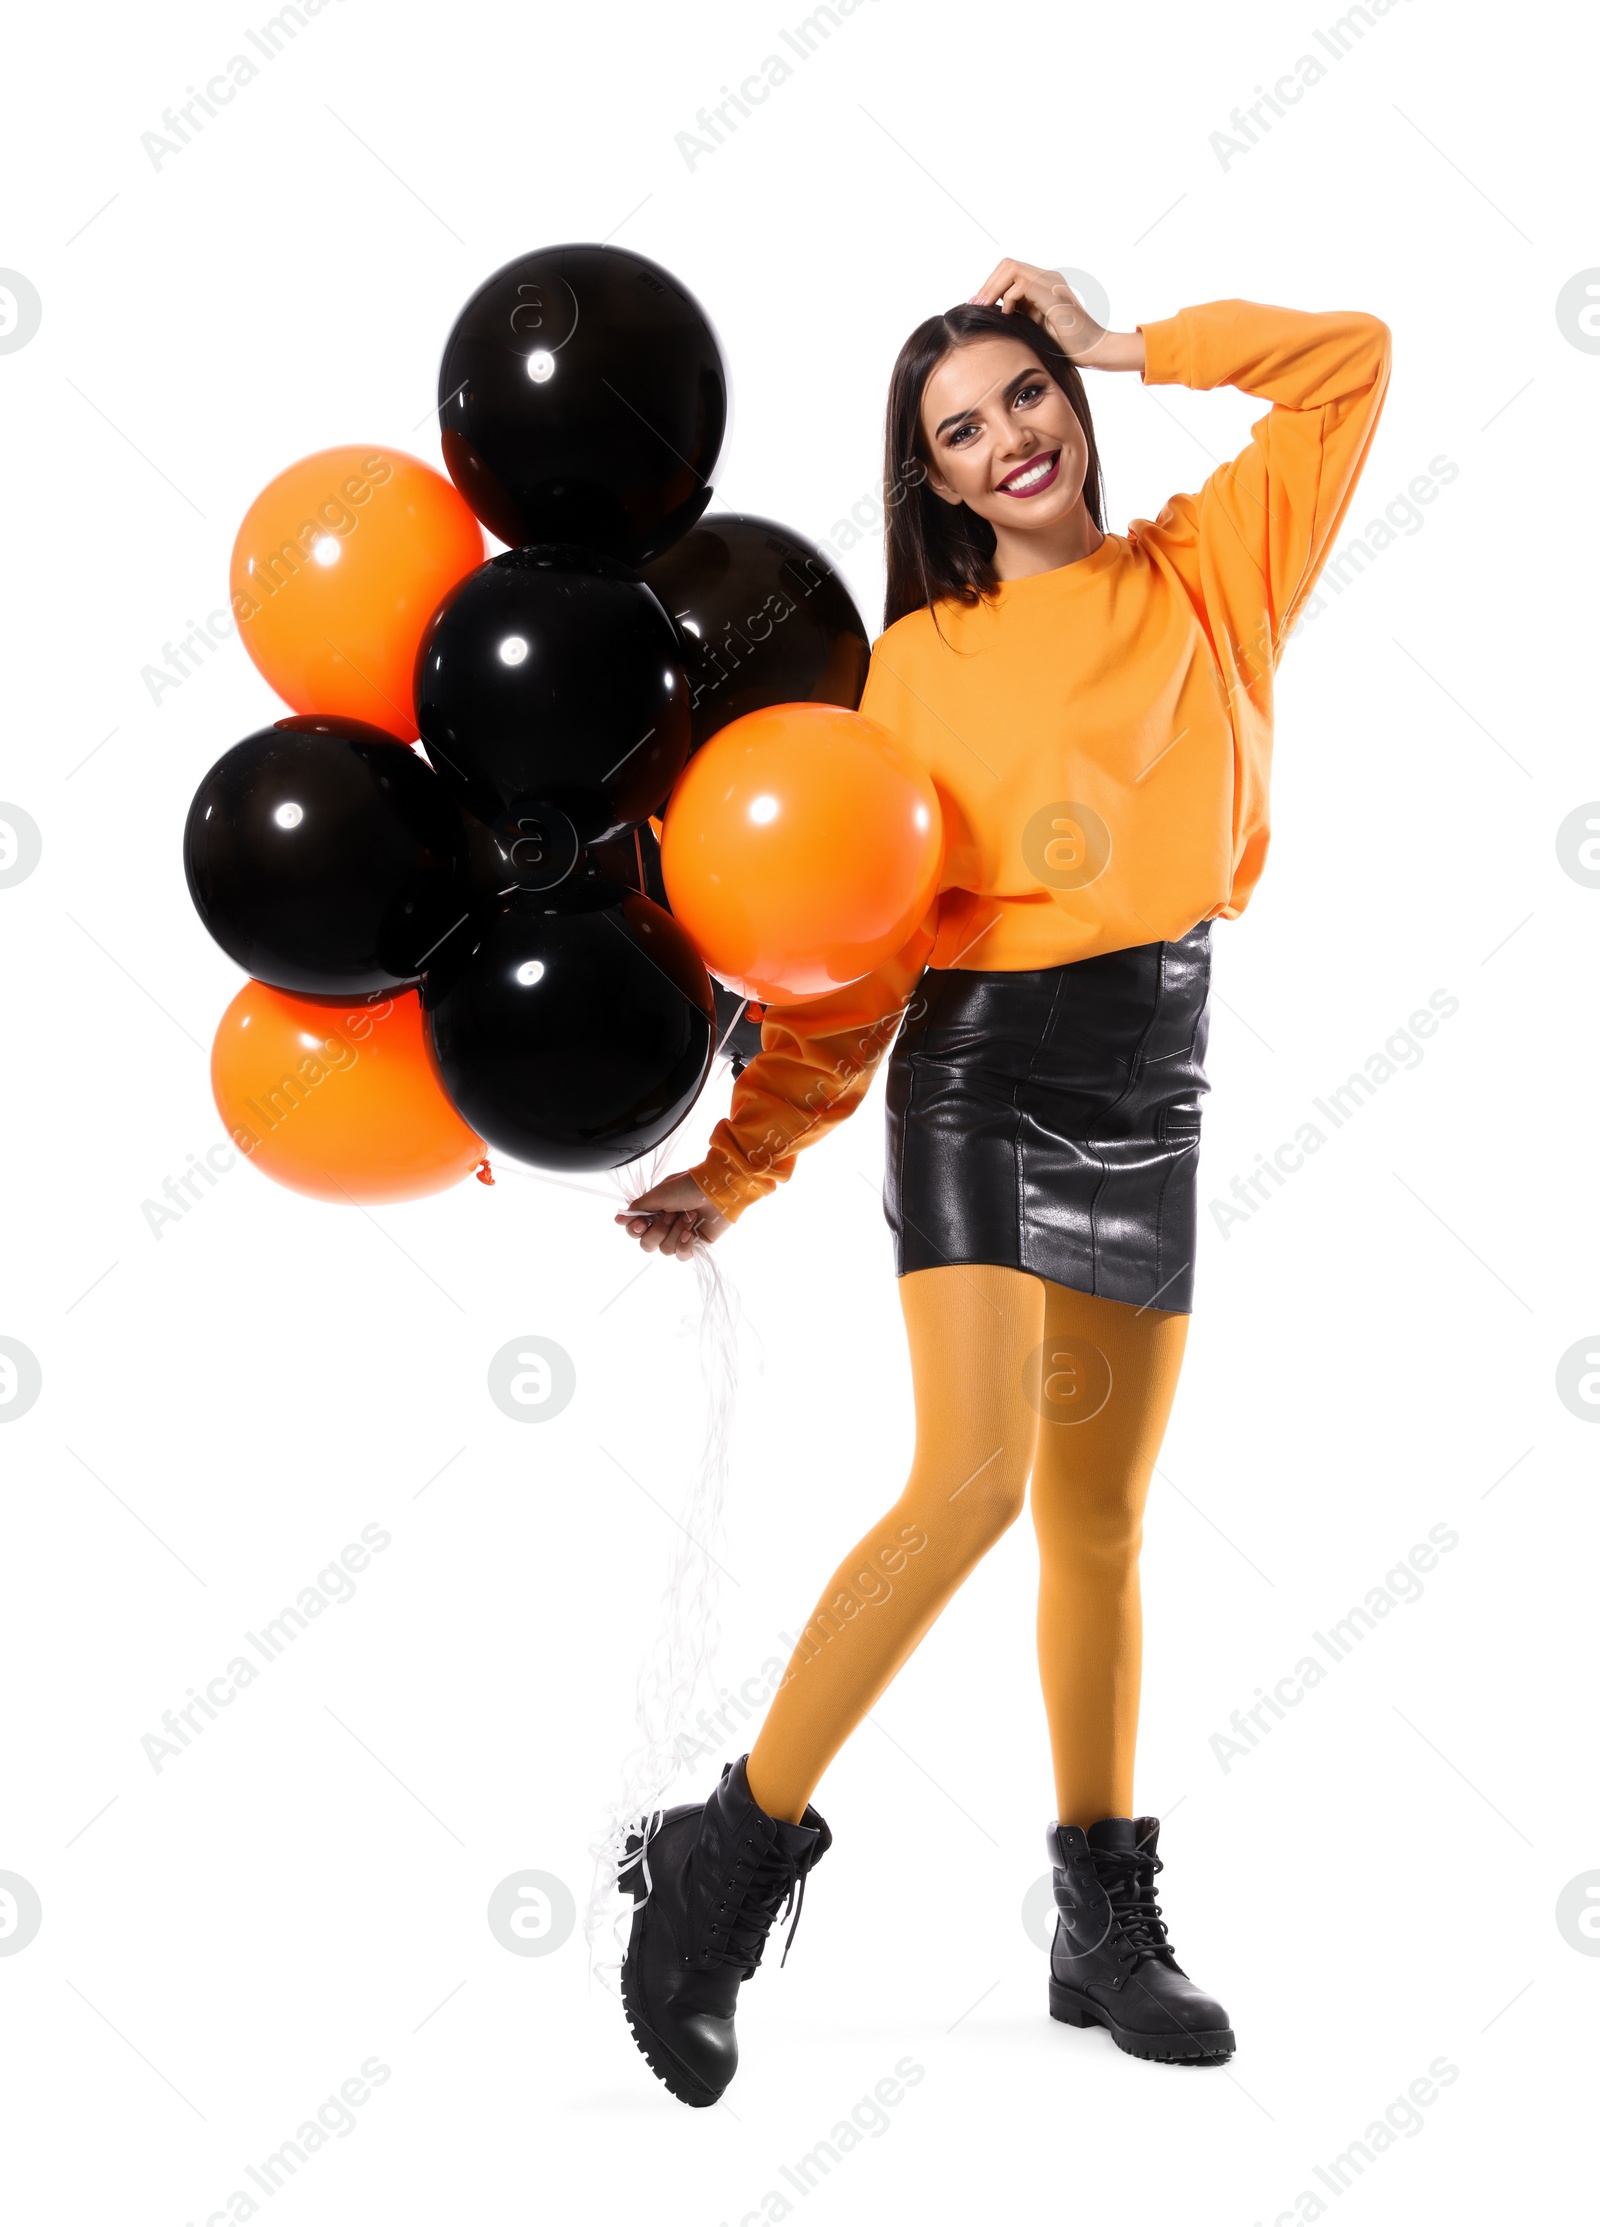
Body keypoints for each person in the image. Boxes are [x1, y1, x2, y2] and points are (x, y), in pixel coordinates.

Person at [613, 259, 1391, 2105]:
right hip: (975, 1073)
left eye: (1028, 395)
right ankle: (720, 1868)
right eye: (960, 430)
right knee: (972, 1478)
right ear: (936, 485)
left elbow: (1351, 365)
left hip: (1155, 1066)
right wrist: (744, 1163)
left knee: (1103, 1519)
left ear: (1073, 398)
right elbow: (865, 961)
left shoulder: (1216, 568)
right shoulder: (918, 670)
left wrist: (1124, 330)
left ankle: (1099, 1922)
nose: (1008, 438)